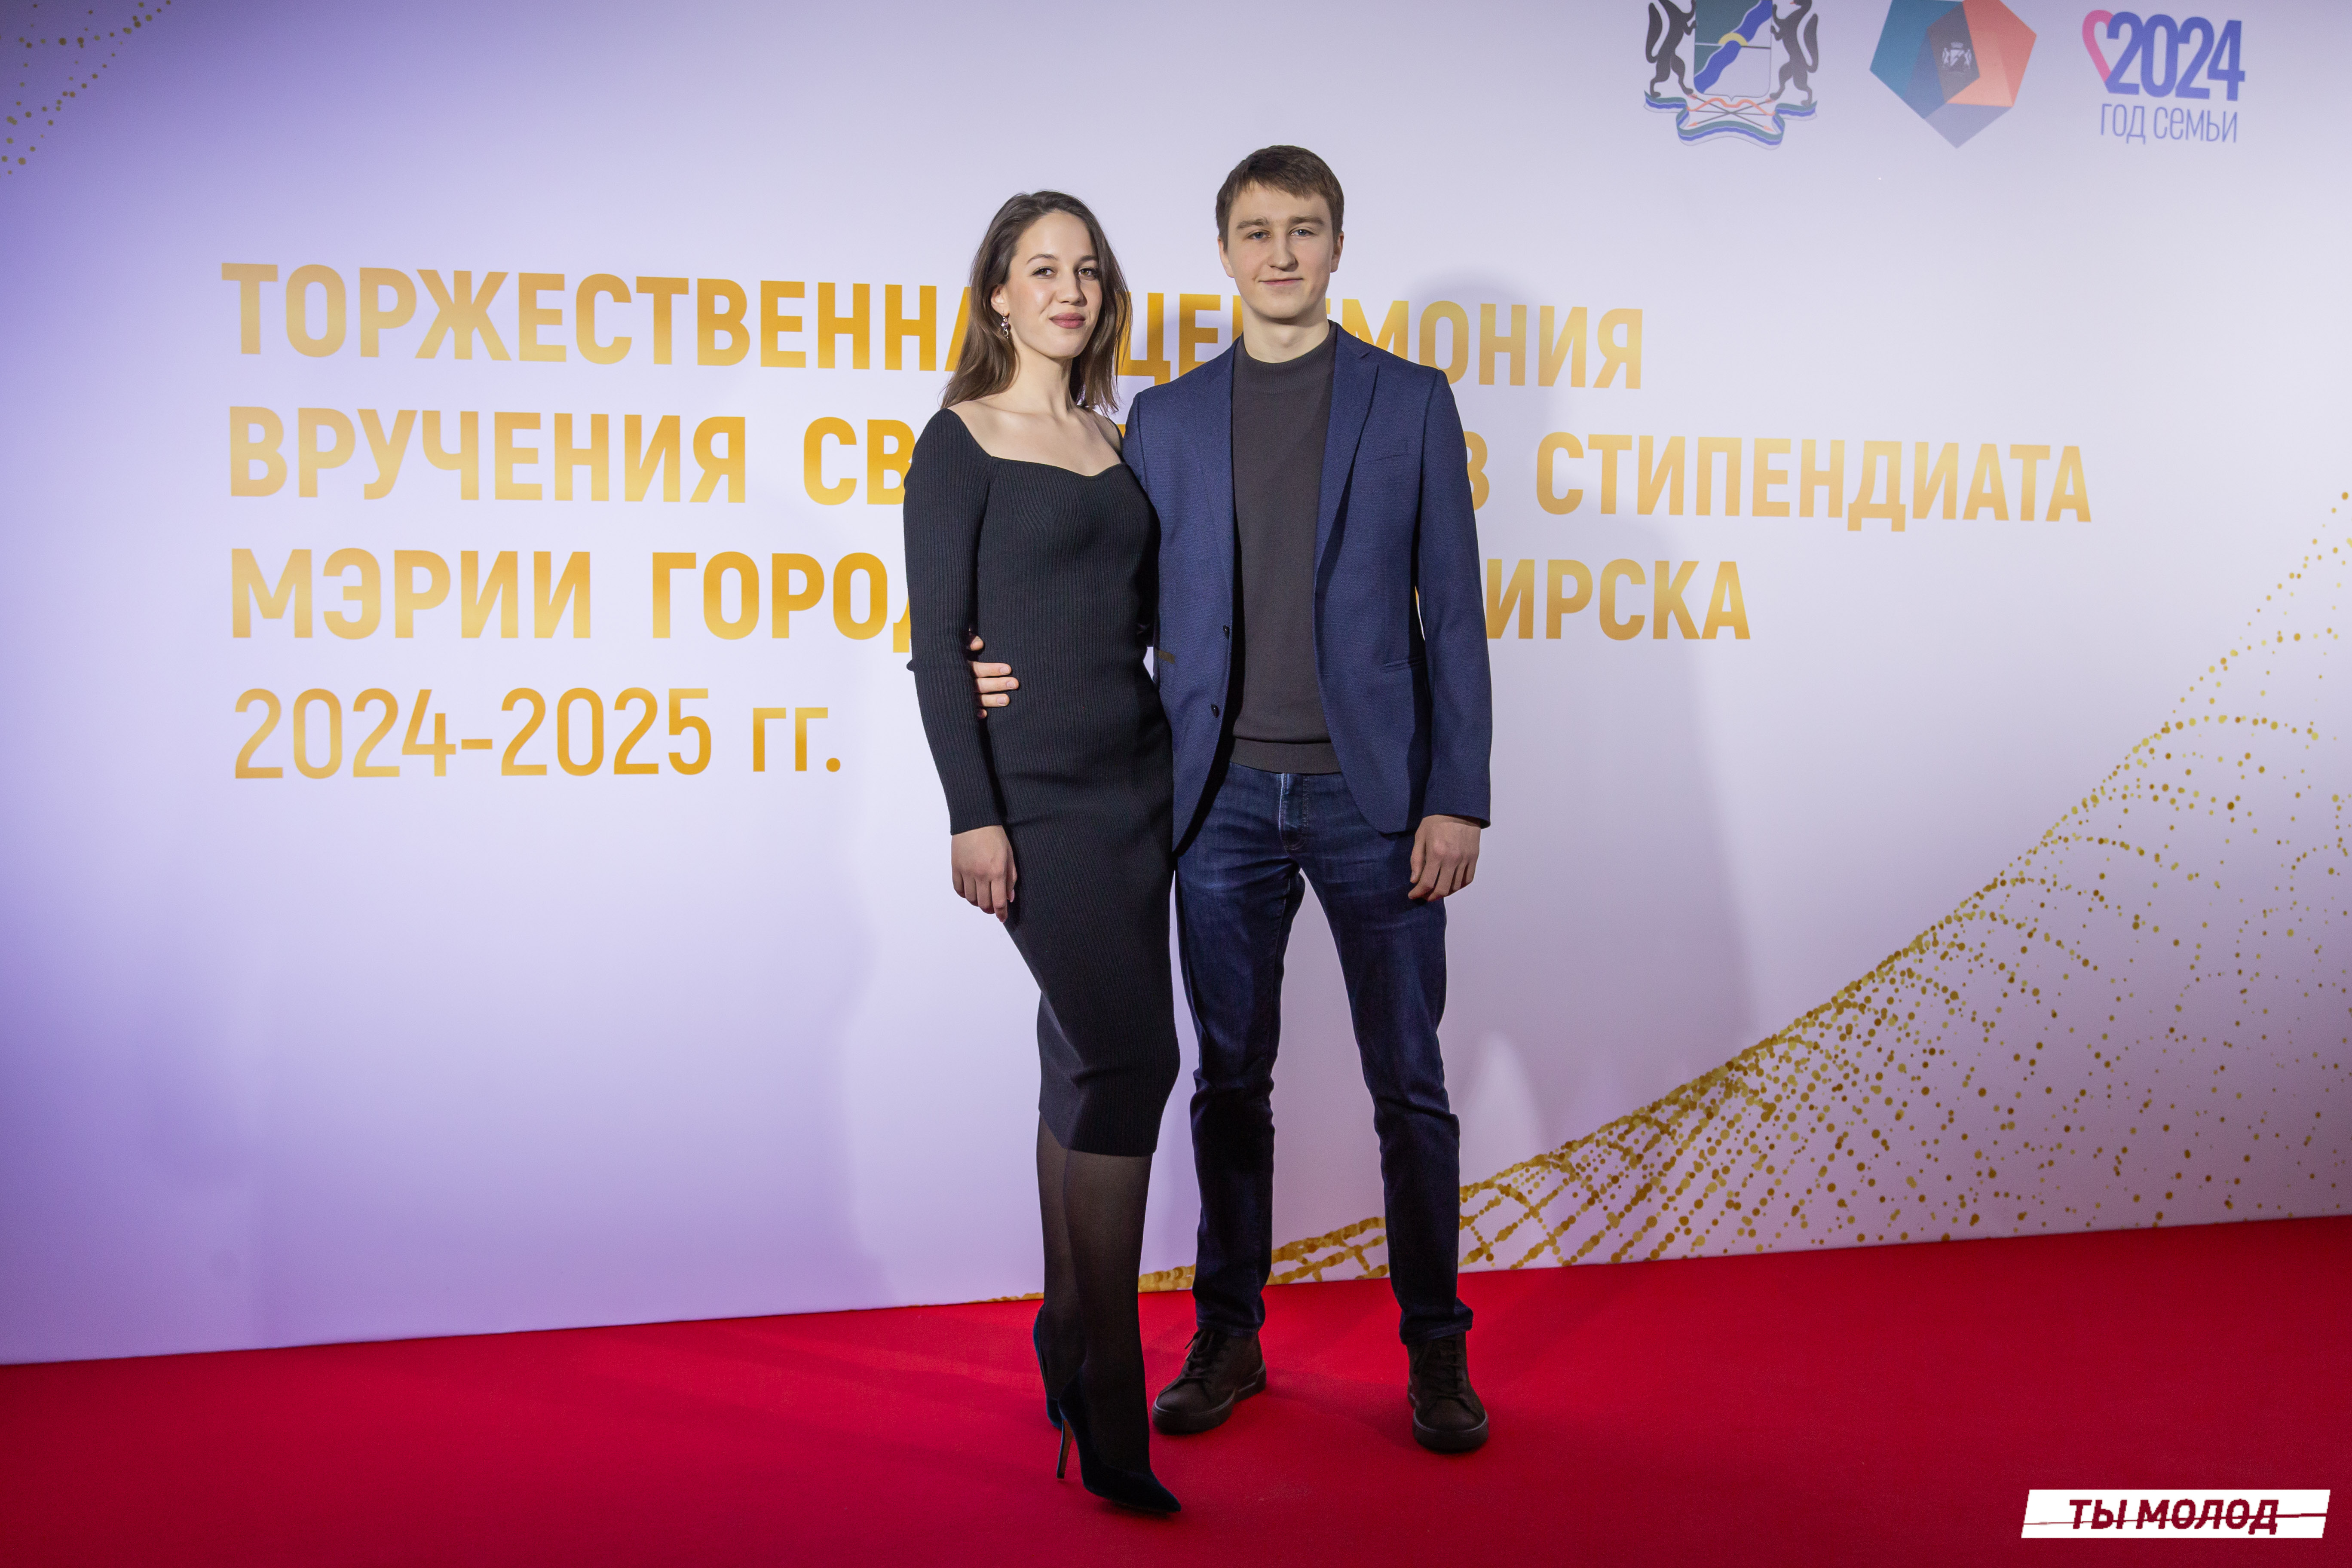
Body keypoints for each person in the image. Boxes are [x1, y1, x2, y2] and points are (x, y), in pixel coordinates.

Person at [970, 147, 1494, 1454]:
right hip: (1215, 802)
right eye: (1257, 232)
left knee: (1410, 1086)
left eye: (1303, 230)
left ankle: (1437, 1350)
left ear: (1336, 247)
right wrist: (986, 658)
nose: (1280, 253)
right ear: (1223, 253)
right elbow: (1108, 597)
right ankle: (1229, 1335)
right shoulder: (1166, 420)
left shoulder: (1412, 402)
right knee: (1227, 1083)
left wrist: (1458, 797)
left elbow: (1456, 617)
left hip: (1380, 805)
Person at [902, 192, 1182, 1514]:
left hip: (1140, 791)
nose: (1069, 289)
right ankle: (1110, 1386)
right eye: (1042, 269)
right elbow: (935, 642)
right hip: (1037, 800)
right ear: (998, 296)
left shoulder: (1121, 441)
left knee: (1083, 1057)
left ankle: (1066, 1333)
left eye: (1087, 270)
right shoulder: (958, 440)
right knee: (1134, 1058)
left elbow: (1143, 614)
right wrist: (974, 812)